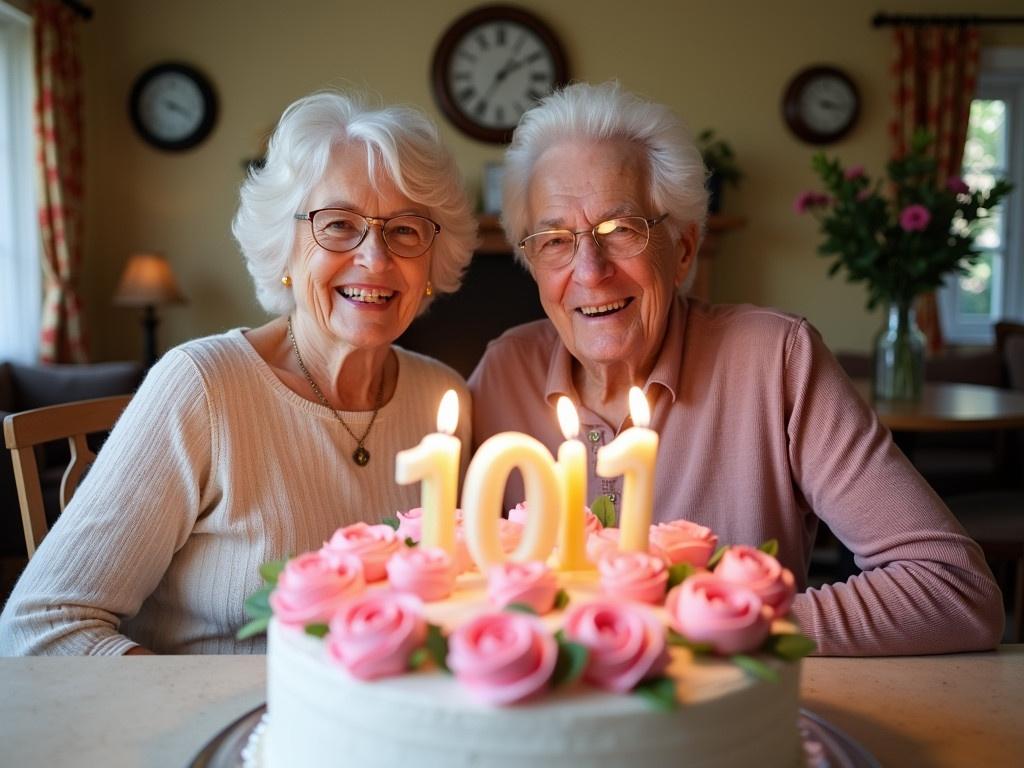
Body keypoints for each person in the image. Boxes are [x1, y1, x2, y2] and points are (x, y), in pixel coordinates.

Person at [469, 81, 1004, 656]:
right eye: (555, 240)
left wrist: (721, 625)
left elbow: (955, 589)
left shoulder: (776, 361)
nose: (591, 271)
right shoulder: (505, 370)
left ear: (682, 250)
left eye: (620, 231)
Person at [0, 91, 477, 655]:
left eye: (405, 230)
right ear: (285, 250)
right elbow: (40, 625)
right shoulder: (202, 388)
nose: (375, 258)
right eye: (339, 224)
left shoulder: (443, 397)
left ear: (430, 262)